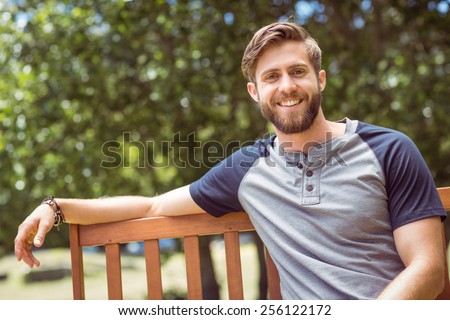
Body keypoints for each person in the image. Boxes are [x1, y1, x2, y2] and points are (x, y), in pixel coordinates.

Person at [14, 21, 447, 300]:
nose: (286, 86)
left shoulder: (389, 148)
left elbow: (428, 268)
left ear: (320, 79)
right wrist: (57, 207)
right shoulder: (248, 168)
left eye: (297, 72)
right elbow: (153, 206)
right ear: (255, 92)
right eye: (271, 77)